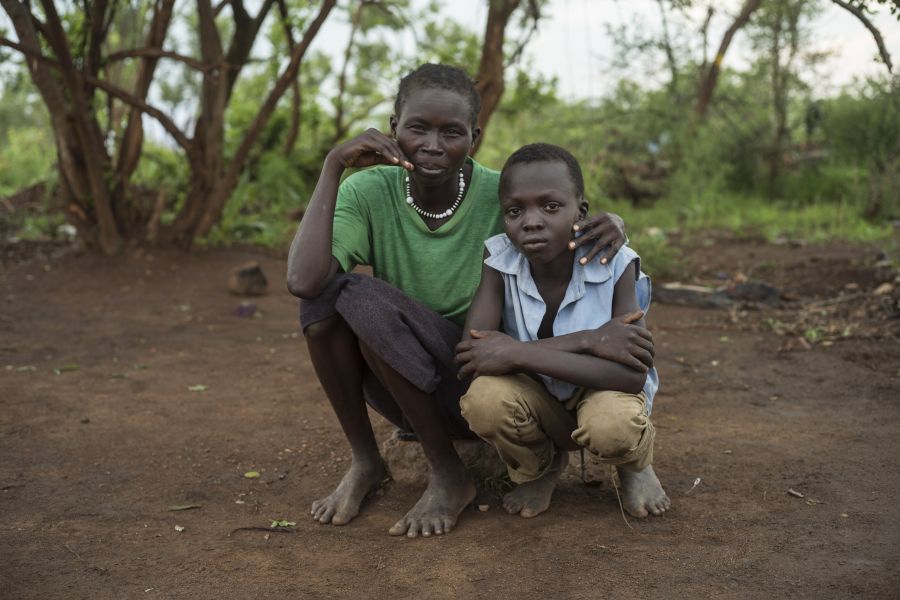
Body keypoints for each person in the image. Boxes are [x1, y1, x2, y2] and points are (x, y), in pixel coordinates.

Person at [286, 64, 632, 538]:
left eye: (451, 132)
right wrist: (333, 166)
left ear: (474, 136)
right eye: (417, 128)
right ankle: (367, 461)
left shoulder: (505, 195)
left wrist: (614, 222)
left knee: (363, 301)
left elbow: (565, 210)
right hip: (400, 374)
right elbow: (305, 281)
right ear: (392, 130)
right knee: (329, 301)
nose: (432, 144)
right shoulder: (367, 191)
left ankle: (449, 474)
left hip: (486, 374)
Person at [456, 143, 670, 520]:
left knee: (613, 426)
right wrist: (590, 340)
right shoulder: (499, 260)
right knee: (484, 398)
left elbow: (630, 375)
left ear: (581, 211)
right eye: (515, 211)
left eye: (550, 207)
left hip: (605, 391)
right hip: (541, 397)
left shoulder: (615, 262)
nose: (532, 221)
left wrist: (517, 352)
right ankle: (542, 467)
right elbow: (474, 355)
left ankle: (633, 464)